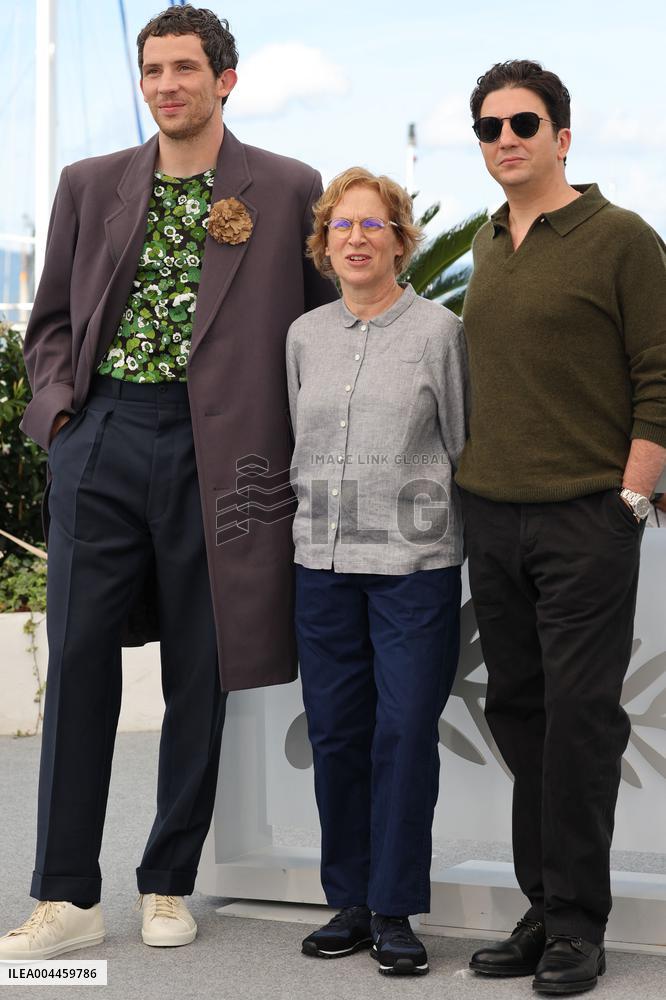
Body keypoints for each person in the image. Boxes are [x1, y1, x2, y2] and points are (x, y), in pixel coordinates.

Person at [0, 5, 335, 960]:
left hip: (223, 454)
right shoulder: (88, 182)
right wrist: (62, 417)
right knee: (78, 662)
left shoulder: (286, 184)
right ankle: (66, 895)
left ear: (226, 79)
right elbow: (53, 318)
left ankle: (166, 879)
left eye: (186, 68)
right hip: (102, 435)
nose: (166, 86)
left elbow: (313, 328)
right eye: (154, 70)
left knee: (201, 663)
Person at [457, 61, 666, 994]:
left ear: (563, 135)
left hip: (588, 516)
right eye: (491, 127)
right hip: (492, 518)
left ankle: (582, 924)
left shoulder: (623, 238)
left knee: (581, 723)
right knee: (520, 714)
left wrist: (632, 495)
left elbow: (661, 372)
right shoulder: (487, 243)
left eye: (525, 123)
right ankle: (544, 906)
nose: (507, 139)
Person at [286, 167, 469, 976]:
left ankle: (394, 908)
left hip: (413, 566)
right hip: (319, 561)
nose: (355, 239)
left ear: (402, 239)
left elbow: (463, 442)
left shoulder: (439, 333)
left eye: (373, 225)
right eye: (341, 226)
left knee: (402, 732)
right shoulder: (303, 336)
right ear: (323, 243)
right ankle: (350, 902)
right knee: (336, 734)